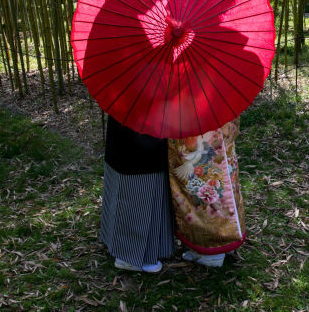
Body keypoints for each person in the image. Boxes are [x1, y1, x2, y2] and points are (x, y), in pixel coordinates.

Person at [100, 115, 174, 273]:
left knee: (135, 181)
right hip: (142, 129)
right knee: (137, 186)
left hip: (136, 116)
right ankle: (129, 256)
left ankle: (125, 246)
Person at [167, 118, 246, 268]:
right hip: (219, 113)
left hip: (198, 119)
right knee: (223, 176)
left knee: (204, 183)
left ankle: (212, 249)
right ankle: (228, 237)